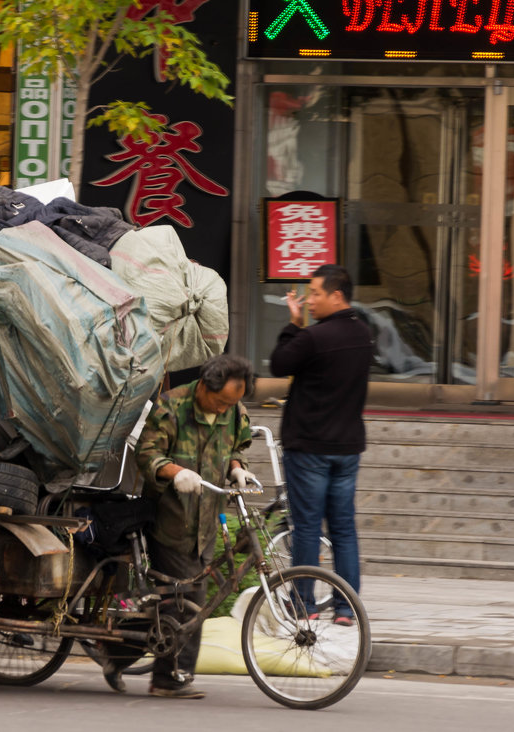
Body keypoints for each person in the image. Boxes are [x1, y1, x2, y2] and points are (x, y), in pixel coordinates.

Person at [106, 353, 259, 699]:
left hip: (207, 521)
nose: (223, 410)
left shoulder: (233, 410)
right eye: (219, 402)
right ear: (205, 385)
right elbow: (146, 454)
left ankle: (119, 655)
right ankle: (167, 677)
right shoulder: (171, 407)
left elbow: (237, 443)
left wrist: (237, 466)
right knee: (185, 603)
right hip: (170, 521)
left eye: (230, 404)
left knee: (182, 603)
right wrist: (176, 473)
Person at [268, 264, 372, 626]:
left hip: (310, 447)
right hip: (347, 448)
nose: (309, 301)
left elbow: (279, 363)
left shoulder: (314, 337)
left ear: (336, 295)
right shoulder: (364, 335)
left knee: (307, 527)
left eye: (315, 294)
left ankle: (305, 604)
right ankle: (346, 609)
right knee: (343, 527)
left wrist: (293, 325)